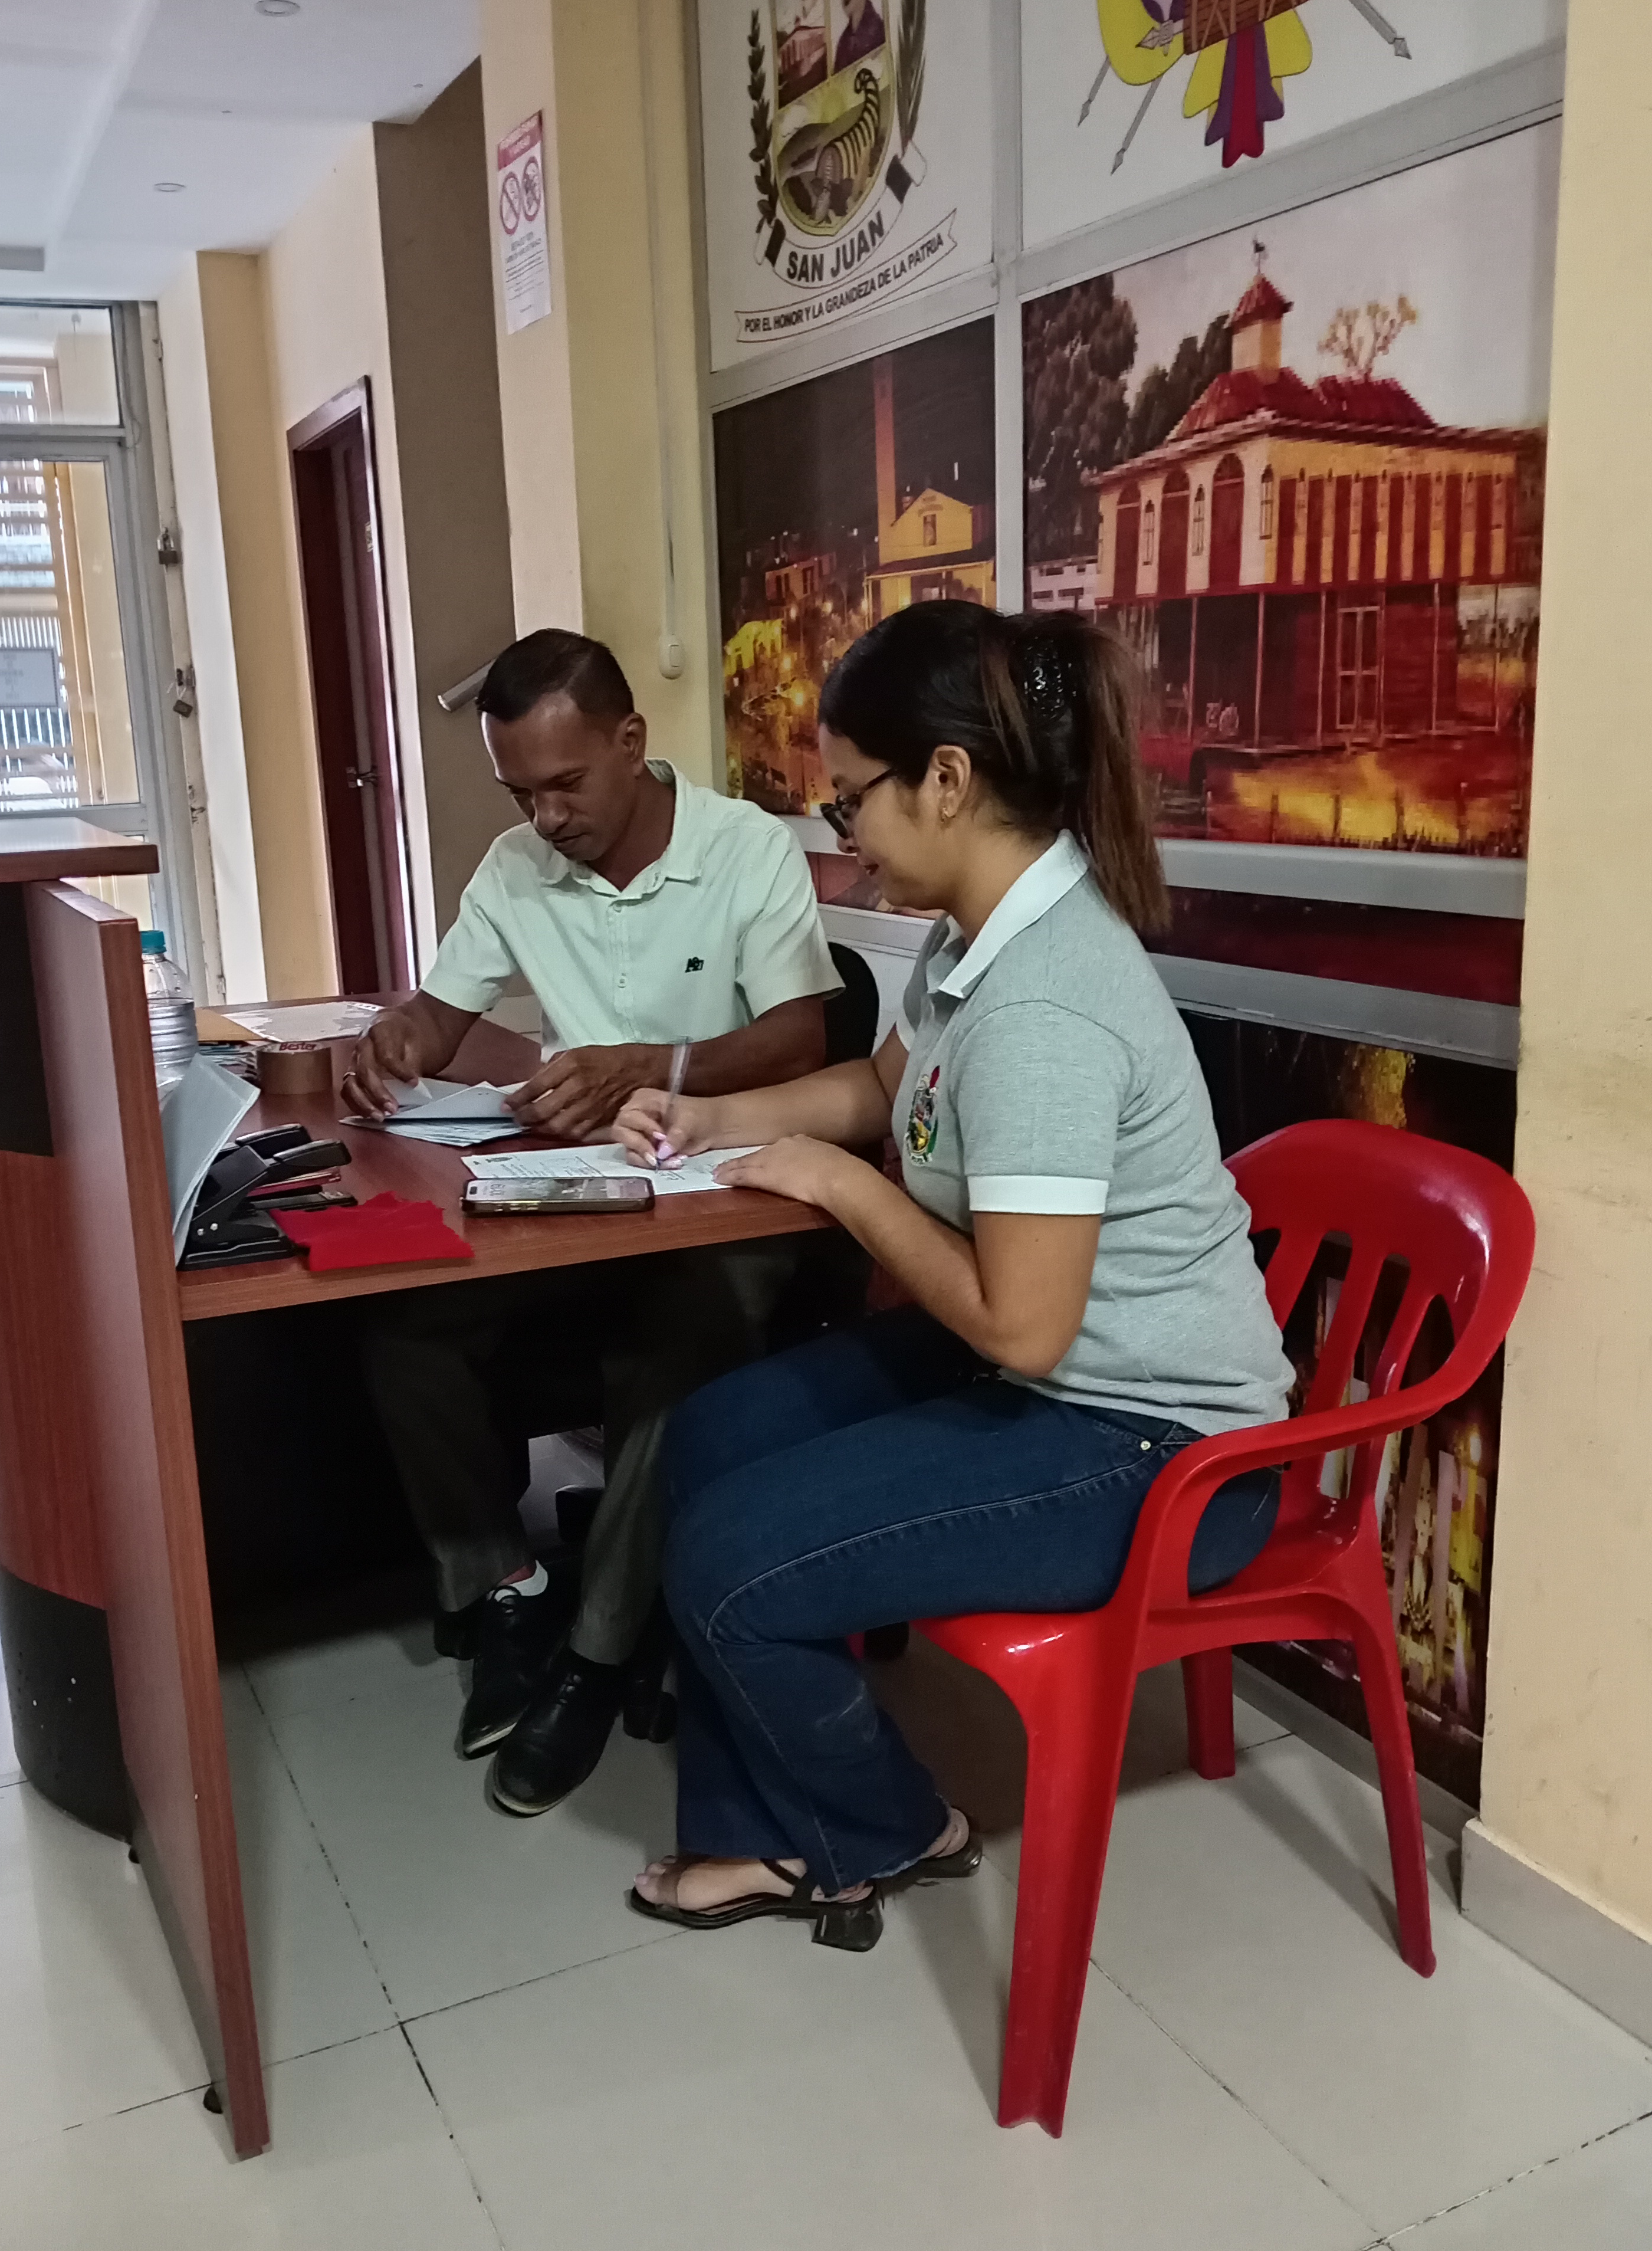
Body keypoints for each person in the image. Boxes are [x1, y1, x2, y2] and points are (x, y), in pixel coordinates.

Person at [616, 601, 1292, 1941]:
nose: (841, 833)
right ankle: (764, 1826)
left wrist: (843, 1187)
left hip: (1156, 1446)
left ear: (945, 778)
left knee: (728, 1562)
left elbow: (1023, 1327)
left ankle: (881, 1828)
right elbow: (885, 1087)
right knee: (706, 1439)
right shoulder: (973, 934)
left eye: (850, 798)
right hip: (1049, 1374)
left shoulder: (1044, 1005)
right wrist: (714, 1116)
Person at [347, 628, 841, 1816]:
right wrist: (397, 1035)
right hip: (580, 1197)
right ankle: (506, 1587)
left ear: (630, 741)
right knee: (405, 1327)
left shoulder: (745, 851)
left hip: (722, 1200)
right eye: (520, 792)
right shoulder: (517, 865)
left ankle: (598, 1650)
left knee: (679, 1345)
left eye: (566, 784)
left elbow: (802, 1036)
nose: (546, 816)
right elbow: (442, 1014)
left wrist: (652, 1064)